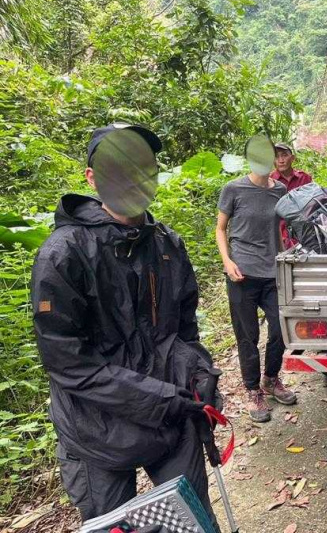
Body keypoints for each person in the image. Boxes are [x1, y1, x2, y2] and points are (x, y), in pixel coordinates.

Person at [31, 123, 220, 529]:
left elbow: (184, 333)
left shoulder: (167, 244)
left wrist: (201, 372)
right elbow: (70, 365)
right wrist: (160, 398)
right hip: (96, 432)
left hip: (171, 420)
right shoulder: (63, 255)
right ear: (93, 178)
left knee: (195, 522)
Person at [216, 134, 297, 424]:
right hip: (242, 274)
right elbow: (220, 229)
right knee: (247, 336)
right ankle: (252, 391)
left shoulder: (280, 190)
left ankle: (270, 379)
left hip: (272, 272)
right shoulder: (233, 189)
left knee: (281, 329)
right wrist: (227, 262)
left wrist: (285, 255)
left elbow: (278, 229)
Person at [271, 142, 312, 250]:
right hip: (279, 233)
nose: (281, 160)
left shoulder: (304, 178)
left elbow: (311, 206)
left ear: (292, 158)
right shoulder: (270, 181)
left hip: (303, 231)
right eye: (276, 156)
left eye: (284, 155)